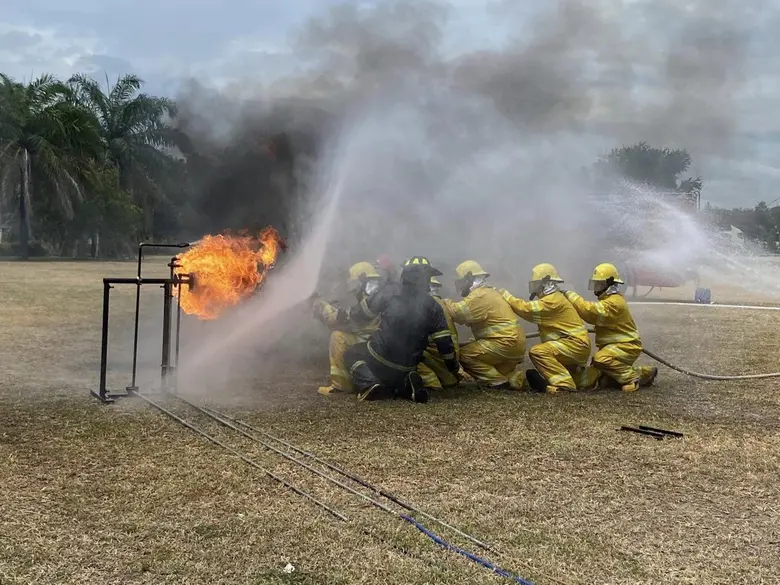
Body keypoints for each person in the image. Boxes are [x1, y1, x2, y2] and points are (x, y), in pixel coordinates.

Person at [343, 256, 459, 402]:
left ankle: (369, 384)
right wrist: (453, 367)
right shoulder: (434, 306)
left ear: (406, 274)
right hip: (407, 366)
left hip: (379, 357)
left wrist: (345, 314)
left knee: (352, 353)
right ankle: (407, 385)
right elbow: (445, 344)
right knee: (400, 375)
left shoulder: (390, 291)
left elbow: (363, 313)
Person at [563, 263, 658, 392]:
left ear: (608, 284)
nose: (596, 288)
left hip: (626, 346)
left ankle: (633, 377)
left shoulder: (614, 303)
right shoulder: (610, 299)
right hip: (615, 345)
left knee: (602, 359)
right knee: (596, 371)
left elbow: (589, 311)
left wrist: (570, 295)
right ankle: (646, 372)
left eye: (599, 284)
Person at [498, 263, 591, 393]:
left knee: (538, 352)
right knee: (570, 375)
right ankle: (575, 379)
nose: (534, 287)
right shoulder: (554, 298)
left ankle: (564, 386)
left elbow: (526, 309)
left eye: (536, 283)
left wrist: (505, 295)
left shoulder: (552, 301)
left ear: (545, 282)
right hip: (574, 344)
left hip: (574, 344)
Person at [441, 261, 525, 390]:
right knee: (496, 369)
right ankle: (512, 377)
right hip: (514, 344)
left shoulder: (479, 296)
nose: (459, 285)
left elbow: (458, 313)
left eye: (460, 281)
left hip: (503, 343)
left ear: (469, 278)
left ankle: (498, 382)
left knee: (465, 355)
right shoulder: (489, 292)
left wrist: (443, 303)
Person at [311, 261, 382, 396]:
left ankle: (341, 385)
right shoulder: (375, 295)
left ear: (363, 280)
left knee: (338, 337)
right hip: (374, 340)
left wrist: (326, 310)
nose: (354, 288)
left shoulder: (370, 299)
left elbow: (351, 321)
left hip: (370, 340)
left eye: (356, 283)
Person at [417, 276, 461, 391]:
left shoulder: (426, 305)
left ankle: (431, 382)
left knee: (408, 351)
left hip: (438, 353)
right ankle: (448, 378)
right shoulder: (441, 303)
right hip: (449, 356)